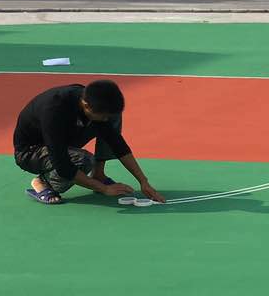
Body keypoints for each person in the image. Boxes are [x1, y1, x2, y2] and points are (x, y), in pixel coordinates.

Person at [13, 79, 165, 205]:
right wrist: (104, 189)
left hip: (63, 138)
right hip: (31, 151)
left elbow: (117, 143)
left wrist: (143, 181)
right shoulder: (54, 110)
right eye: (103, 116)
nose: (106, 119)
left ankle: (98, 174)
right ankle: (43, 183)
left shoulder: (90, 101)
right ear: (86, 105)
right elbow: (62, 163)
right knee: (84, 160)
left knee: (112, 118)